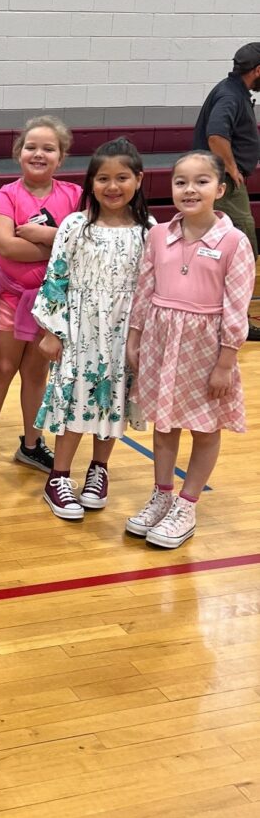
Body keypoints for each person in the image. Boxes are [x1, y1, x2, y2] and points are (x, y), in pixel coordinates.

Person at [125, 151, 254, 548]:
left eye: (201, 181)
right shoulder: (158, 235)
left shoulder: (234, 242)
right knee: (164, 423)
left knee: (205, 425)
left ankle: (187, 504)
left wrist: (225, 362)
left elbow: (237, 306)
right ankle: (162, 495)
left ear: (221, 189)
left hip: (207, 346)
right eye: (181, 182)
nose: (189, 189)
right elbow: (144, 289)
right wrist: (135, 336)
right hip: (161, 341)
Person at [33, 140, 150, 521]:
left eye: (122, 178)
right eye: (103, 179)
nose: (112, 186)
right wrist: (51, 331)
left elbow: (152, 287)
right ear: (91, 183)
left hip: (123, 333)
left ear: (139, 179)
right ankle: (59, 476)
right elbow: (56, 278)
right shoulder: (74, 226)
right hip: (78, 329)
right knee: (74, 399)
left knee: (112, 398)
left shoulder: (149, 231)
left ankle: (99, 469)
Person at [0, 115, 81, 471]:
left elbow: (85, 243)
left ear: (61, 157)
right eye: (31, 147)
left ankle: (31, 444)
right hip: (10, 297)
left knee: (36, 372)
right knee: (3, 367)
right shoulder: (5, 196)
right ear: (19, 153)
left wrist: (47, 236)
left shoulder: (75, 195)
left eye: (49, 148)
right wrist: (62, 243)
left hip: (53, 301)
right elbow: (7, 247)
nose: (39, 154)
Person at [192, 42, 260, 257]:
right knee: (243, 236)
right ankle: (247, 278)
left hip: (219, 178)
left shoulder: (231, 90)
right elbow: (216, 136)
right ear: (258, 70)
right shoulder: (231, 96)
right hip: (224, 181)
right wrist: (232, 168)